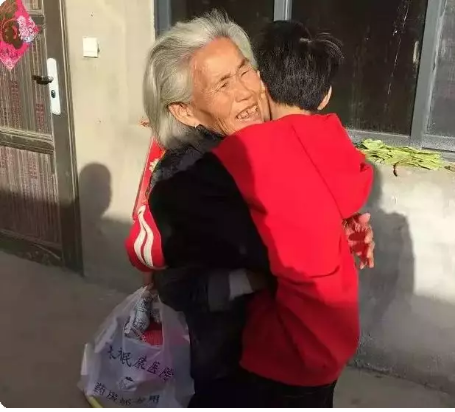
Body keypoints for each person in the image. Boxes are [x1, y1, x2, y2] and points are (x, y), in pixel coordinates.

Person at [124, 10, 375, 407]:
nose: (246, 92)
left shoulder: (269, 145)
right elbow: (175, 286)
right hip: (238, 375)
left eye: (245, 71)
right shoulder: (189, 179)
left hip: (295, 363)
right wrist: (258, 276)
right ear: (185, 111)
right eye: (223, 84)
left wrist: (339, 226)